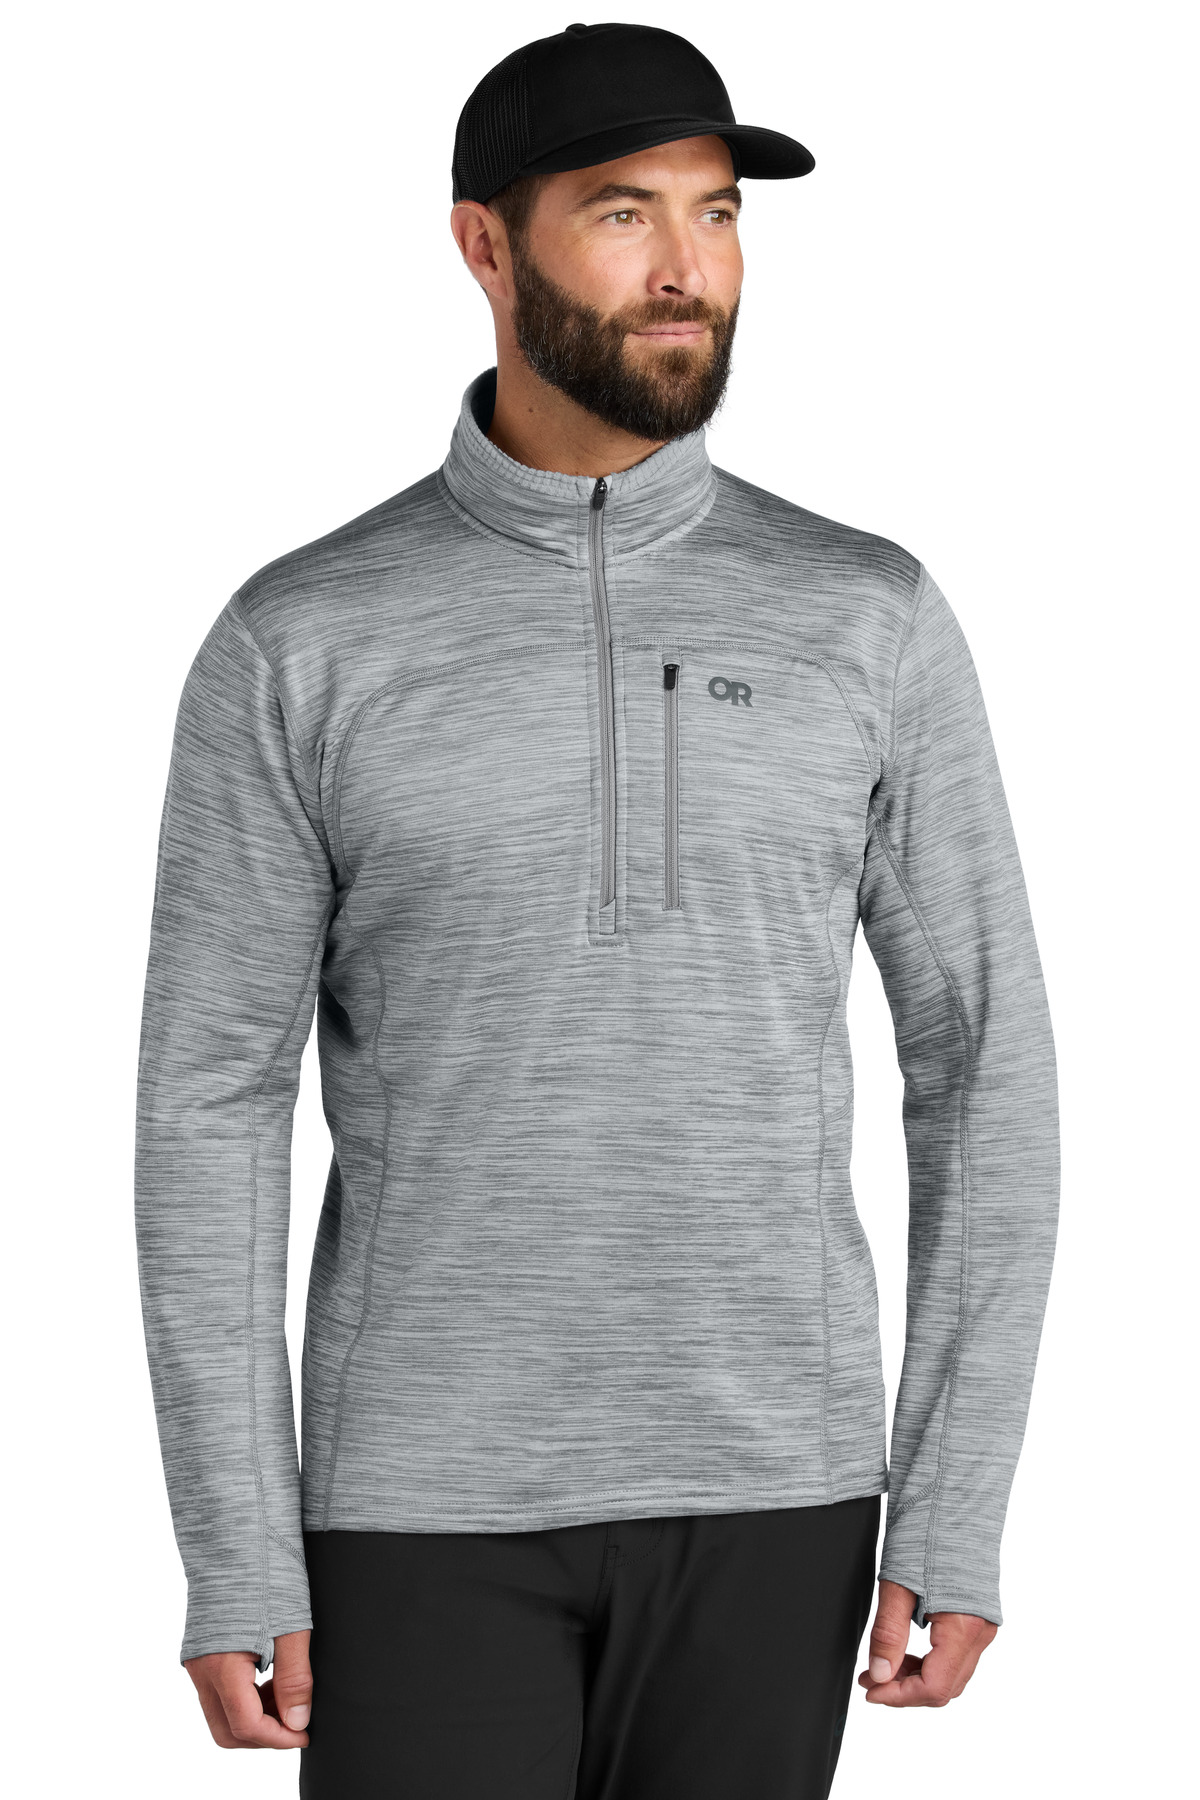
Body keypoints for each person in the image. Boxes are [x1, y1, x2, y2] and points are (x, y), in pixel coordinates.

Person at [135, 22, 1060, 1798]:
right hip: (416, 1505)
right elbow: (208, 1106)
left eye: (717, 214)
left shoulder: (867, 617)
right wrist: (234, 1543)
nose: (686, 268)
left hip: (782, 1494)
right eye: (625, 213)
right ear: (485, 246)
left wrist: (952, 1495)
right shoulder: (302, 640)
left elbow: (985, 1065)